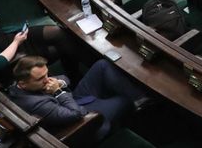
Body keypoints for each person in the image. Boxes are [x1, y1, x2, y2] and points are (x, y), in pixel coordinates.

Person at [8, 55, 147, 143]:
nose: (47, 80)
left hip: (72, 100)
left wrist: (59, 84)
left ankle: (141, 99)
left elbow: (64, 79)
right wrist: (57, 91)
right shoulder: (36, 104)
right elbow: (76, 114)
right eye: (40, 78)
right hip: (80, 120)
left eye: (47, 74)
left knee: (102, 65)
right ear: (23, 83)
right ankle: (136, 108)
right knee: (123, 100)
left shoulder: (23, 84)